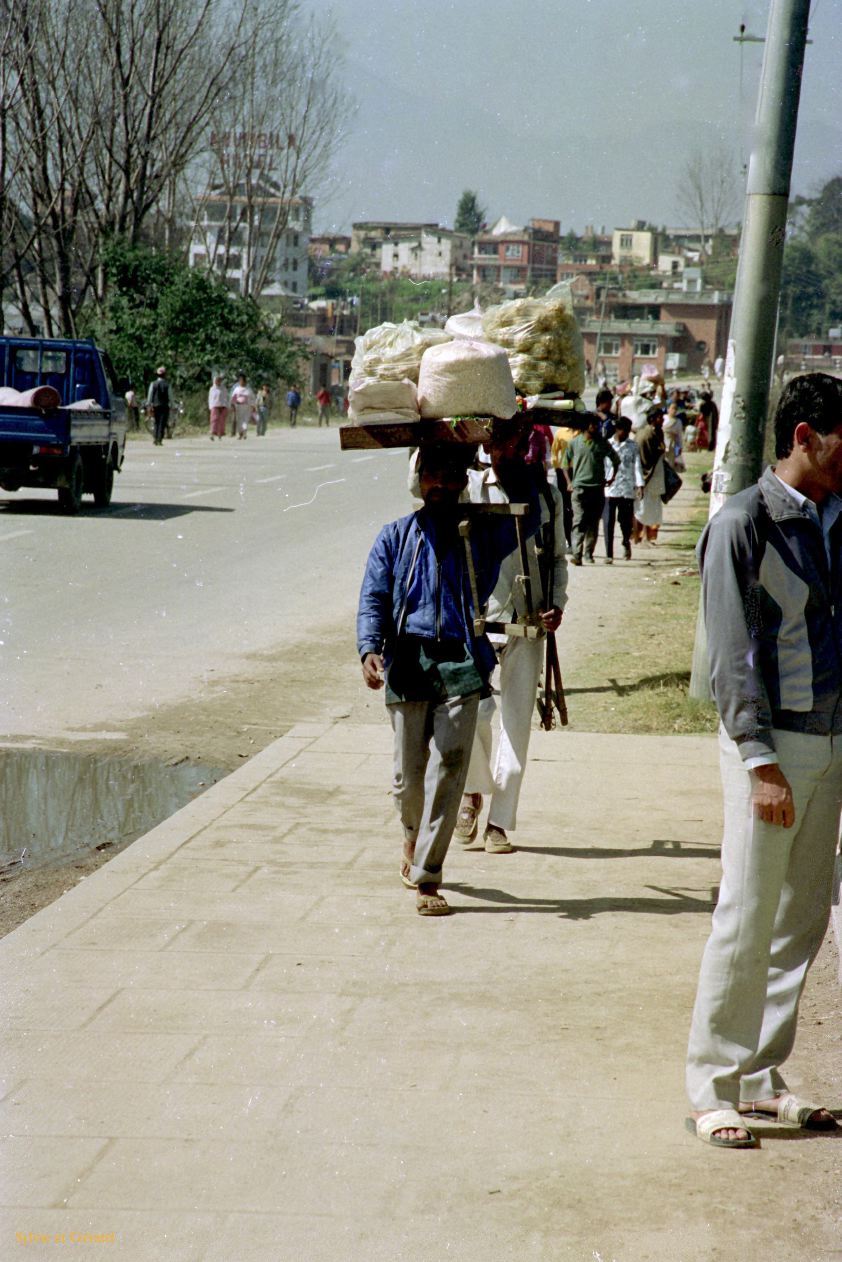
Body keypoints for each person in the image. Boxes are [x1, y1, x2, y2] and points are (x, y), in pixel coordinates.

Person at [686, 372, 842, 1149]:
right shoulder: (743, 523)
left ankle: (759, 1076)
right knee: (747, 919)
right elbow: (731, 654)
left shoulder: (838, 518)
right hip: (772, 749)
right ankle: (712, 1087)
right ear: (804, 438)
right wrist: (760, 761)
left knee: (801, 921)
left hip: (832, 744)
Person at [357, 442, 537, 917]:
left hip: (462, 661)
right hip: (407, 664)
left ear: (463, 480)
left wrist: (506, 460)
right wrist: (369, 648)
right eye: (431, 474)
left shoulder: (481, 533)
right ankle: (411, 837)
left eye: (449, 474)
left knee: (449, 773)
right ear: (418, 480)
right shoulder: (394, 537)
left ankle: (428, 875)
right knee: (407, 779)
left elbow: (530, 517)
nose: (439, 483)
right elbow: (374, 598)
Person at [454, 418, 567, 853]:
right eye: (500, 441)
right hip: (477, 621)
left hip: (529, 620)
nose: (509, 451)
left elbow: (557, 558)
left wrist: (556, 604)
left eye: (518, 442)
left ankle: (498, 822)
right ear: (487, 443)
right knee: (472, 713)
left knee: (516, 723)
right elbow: (415, 482)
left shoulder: (546, 495)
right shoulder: (470, 487)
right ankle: (471, 792)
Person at [561, 412, 619, 564]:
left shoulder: (602, 443)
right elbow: (564, 463)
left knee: (593, 523)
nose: (595, 427)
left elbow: (616, 460)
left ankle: (588, 553)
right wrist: (569, 482)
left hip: (597, 489)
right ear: (585, 425)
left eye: (597, 424)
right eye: (592, 424)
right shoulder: (574, 443)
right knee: (578, 521)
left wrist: (612, 478)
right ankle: (577, 554)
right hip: (579, 488)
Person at [602, 416, 637, 562]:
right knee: (608, 522)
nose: (627, 433)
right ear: (617, 429)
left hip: (627, 489)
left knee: (625, 522)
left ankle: (626, 542)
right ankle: (609, 554)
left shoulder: (633, 446)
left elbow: (637, 466)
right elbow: (603, 466)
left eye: (628, 431)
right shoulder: (607, 444)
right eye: (624, 430)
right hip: (610, 488)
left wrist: (640, 485)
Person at [632, 402, 666, 544]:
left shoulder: (658, 432)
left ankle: (647, 536)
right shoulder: (645, 435)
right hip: (645, 477)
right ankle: (639, 536)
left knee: (651, 508)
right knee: (642, 508)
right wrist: (643, 478)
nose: (662, 419)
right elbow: (642, 458)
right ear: (652, 419)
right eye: (659, 417)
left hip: (656, 477)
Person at [146, 366, 170, 446]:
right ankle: (159, 439)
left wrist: (148, 404)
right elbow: (170, 396)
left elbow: (150, 395)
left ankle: (155, 438)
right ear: (164, 375)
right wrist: (173, 405)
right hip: (164, 406)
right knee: (162, 423)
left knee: (156, 422)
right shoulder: (167, 384)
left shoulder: (153, 384)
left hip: (155, 406)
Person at [230, 373, 255, 440]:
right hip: (238, 407)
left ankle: (244, 433)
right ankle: (240, 433)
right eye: (240, 380)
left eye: (242, 380)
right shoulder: (236, 389)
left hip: (246, 407)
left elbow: (252, 398)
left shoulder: (248, 389)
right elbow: (233, 398)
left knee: (245, 420)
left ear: (245, 381)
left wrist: (253, 406)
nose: (241, 382)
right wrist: (232, 405)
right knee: (239, 421)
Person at [208, 374, 228, 441]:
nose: (218, 381)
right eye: (217, 380)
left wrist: (227, 405)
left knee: (221, 421)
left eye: (219, 380)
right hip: (214, 405)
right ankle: (212, 434)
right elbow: (210, 398)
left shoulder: (223, 388)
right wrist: (210, 406)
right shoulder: (212, 389)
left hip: (223, 405)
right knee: (214, 420)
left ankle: (220, 434)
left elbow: (226, 397)